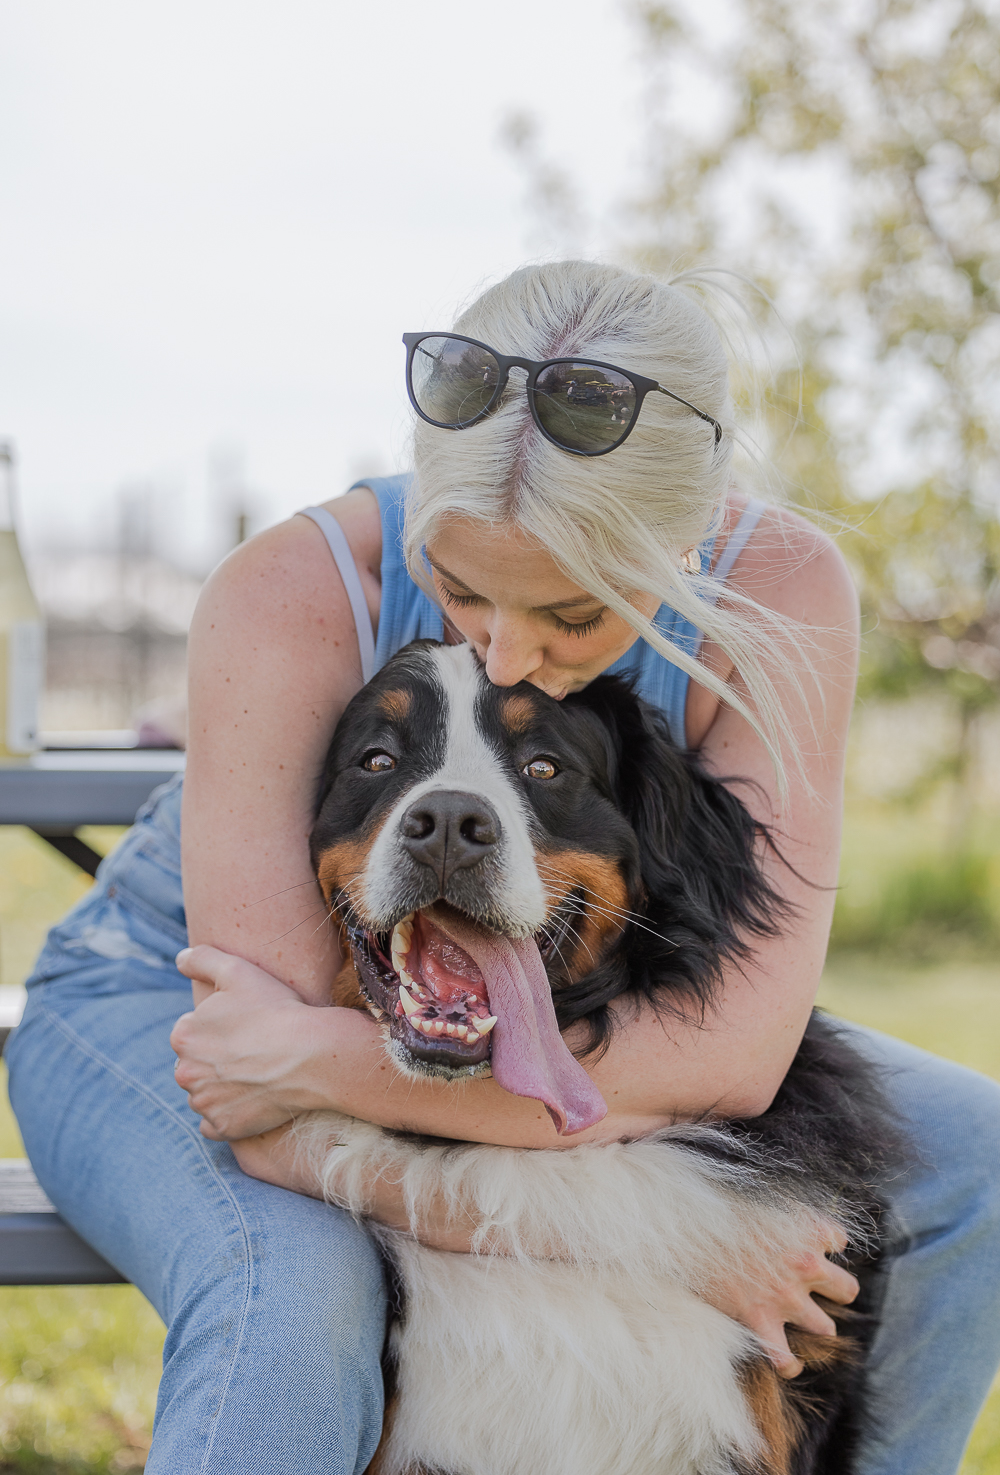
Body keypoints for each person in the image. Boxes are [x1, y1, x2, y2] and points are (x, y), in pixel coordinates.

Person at [8, 261, 1000, 1475]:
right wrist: (675, 1240)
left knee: (975, 1155)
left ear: (684, 544)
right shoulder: (289, 591)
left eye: (573, 618)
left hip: (473, 989)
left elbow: (733, 1057)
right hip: (169, 998)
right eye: (462, 589)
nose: (506, 648)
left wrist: (313, 1062)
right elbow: (258, 1100)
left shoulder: (780, 592)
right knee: (295, 1287)